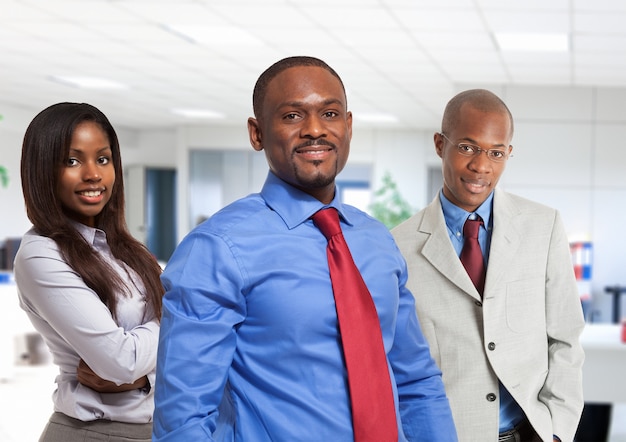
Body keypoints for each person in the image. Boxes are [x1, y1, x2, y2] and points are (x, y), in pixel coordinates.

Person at [152, 56, 457, 441]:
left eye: (329, 113)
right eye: (292, 116)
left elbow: (416, 381)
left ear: (347, 126)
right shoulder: (217, 248)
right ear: (257, 133)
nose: (315, 130)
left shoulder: (376, 241)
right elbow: (183, 419)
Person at [392, 89, 585, 442]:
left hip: (530, 432)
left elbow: (565, 338)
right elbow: (395, 362)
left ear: (508, 154)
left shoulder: (543, 226)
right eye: (467, 147)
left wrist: (558, 431)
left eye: (496, 153)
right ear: (439, 144)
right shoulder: (398, 247)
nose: (481, 166)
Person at [14, 102, 164, 442]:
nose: (93, 174)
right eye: (71, 160)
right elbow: (121, 361)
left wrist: (143, 377)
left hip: (152, 430)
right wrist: (180, 314)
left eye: (103, 158)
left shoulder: (125, 250)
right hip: (93, 432)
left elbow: (136, 365)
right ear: (42, 170)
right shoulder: (41, 254)